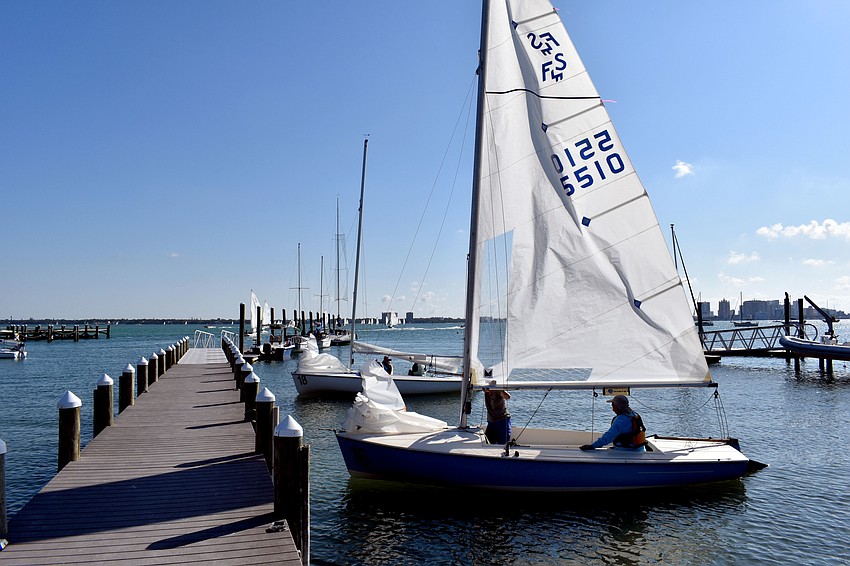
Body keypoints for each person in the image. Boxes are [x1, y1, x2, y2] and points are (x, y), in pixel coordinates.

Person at [580, 394, 646, 451]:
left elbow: (609, 436)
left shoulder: (621, 420)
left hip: (626, 451)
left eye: (612, 405)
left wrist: (592, 446)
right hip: (639, 449)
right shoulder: (634, 415)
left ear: (616, 406)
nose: (612, 407)